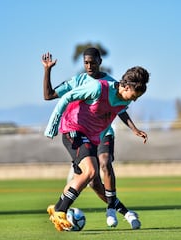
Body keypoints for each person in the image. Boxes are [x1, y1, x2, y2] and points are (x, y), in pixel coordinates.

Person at [42, 48, 148, 229]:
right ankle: (62, 211)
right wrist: (52, 126)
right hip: (73, 129)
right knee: (91, 171)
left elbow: (120, 110)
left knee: (85, 179)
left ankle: (57, 209)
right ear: (127, 87)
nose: (135, 100)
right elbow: (64, 97)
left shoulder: (124, 97)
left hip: (92, 137)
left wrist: (134, 129)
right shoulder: (97, 87)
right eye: (135, 96)